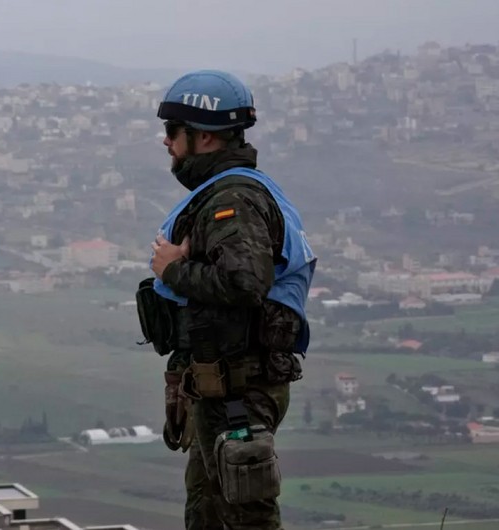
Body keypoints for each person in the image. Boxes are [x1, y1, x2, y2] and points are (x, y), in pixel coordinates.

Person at [136, 70, 316, 529]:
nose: (166, 142)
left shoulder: (233, 199)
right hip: (222, 388)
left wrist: (172, 269)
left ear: (205, 139)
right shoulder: (226, 192)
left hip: (239, 390)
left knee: (244, 518)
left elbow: (245, 284)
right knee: (208, 514)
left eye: (172, 131)